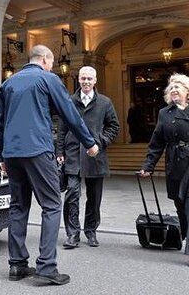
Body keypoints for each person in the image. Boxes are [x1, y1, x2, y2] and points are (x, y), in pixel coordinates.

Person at [0, 45, 99, 285]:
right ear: (44, 59)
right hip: (38, 150)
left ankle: (17, 265)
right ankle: (47, 267)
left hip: (12, 153)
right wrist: (89, 142)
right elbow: (70, 113)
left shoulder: (7, 84)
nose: (52, 67)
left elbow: (0, 123)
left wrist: (2, 156)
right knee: (51, 205)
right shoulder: (47, 78)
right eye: (51, 63)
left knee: (18, 206)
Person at [139, 73, 189, 268]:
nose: (173, 90)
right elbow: (157, 142)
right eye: (171, 87)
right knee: (181, 205)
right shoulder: (164, 113)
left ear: (188, 91)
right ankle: (186, 233)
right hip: (174, 163)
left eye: (178, 87)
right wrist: (148, 166)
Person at [56, 66, 120, 249]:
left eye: (89, 79)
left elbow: (114, 127)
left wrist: (100, 142)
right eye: (83, 78)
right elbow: (61, 130)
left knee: (94, 197)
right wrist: (59, 153)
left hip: (95, 155)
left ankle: (91, 231)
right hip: (72, 154)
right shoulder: (68, 101)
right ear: (79, 79)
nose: (85, 82)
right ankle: (72, 234)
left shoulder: (105, 103)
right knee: (72, 195)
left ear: (95, 81)